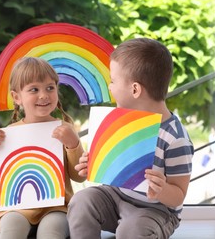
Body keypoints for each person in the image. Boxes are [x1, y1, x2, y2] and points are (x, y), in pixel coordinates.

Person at [67, 38, 194, 239]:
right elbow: (112, 165)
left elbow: (178, 194)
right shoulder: (119, 120)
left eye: (113, 81)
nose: (110, 87)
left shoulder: (175, 138)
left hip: (156, 211)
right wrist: (92, 164)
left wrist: (161, 190)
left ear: (135, 89)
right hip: (115, 197)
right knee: (81, 201)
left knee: (132, 230)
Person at [0, 57, 86, 239]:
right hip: (16, 207)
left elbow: (78, 177)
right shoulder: (10, 133)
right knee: (11, 230)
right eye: (34, 89)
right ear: (16, 97)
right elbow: (0, 175)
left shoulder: (64, 130)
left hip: (56, 207)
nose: (44, 95)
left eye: (50, 88)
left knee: (52, 232)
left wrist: (73, 144)